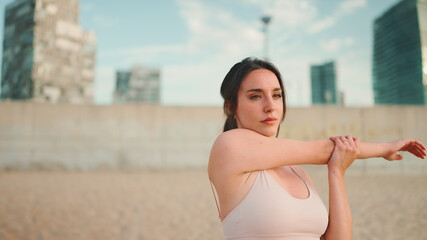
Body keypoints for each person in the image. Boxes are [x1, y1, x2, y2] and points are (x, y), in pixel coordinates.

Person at [208, 57, 426, 240]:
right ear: (231, 106)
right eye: (255, 96)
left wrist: (336, 173)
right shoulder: (228, 146)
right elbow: (325, 150)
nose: (270, 106)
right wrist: (385, 148)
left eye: (277, 95)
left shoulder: (299, 173)